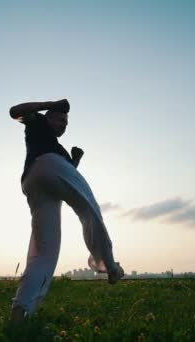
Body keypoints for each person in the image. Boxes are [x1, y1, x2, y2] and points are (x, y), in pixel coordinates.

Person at [9, 99, 124, 322]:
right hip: (46, 165)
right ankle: (109, 266)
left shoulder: (50, 142)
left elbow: (63, 178)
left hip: (33, 181)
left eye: (67, 123)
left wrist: (74, 161)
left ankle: (21, 310)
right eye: (60, 119)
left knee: (44, 253)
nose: (64, 125)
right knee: (88, 207)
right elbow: (15, 111)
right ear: (48, 116)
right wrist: (51, 103)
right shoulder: (36, 121)